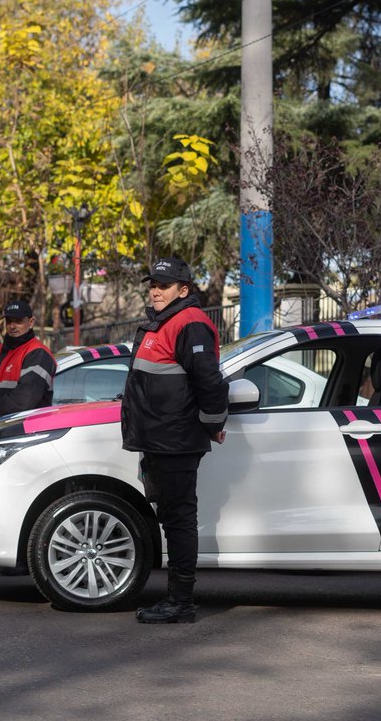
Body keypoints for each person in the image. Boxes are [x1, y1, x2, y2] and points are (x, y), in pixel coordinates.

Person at [121, 257, 228, 624]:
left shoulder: (190, 323)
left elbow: (209, 382)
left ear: (183, 290)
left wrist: (213, 423)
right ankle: (176, 598)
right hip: (160, 438)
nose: (155, 290)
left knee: (180, 520)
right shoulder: (161, 323)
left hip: (176, 439)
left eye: (163, 285)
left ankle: (180, 602)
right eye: (152, 284)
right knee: (172, 518)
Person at [0, 299, 56, 424]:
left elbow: (26, 397)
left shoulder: (38, 353)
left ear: (31, 322)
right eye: (9, 321)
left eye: (18, 321)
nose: (12, 326)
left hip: (27, 432)